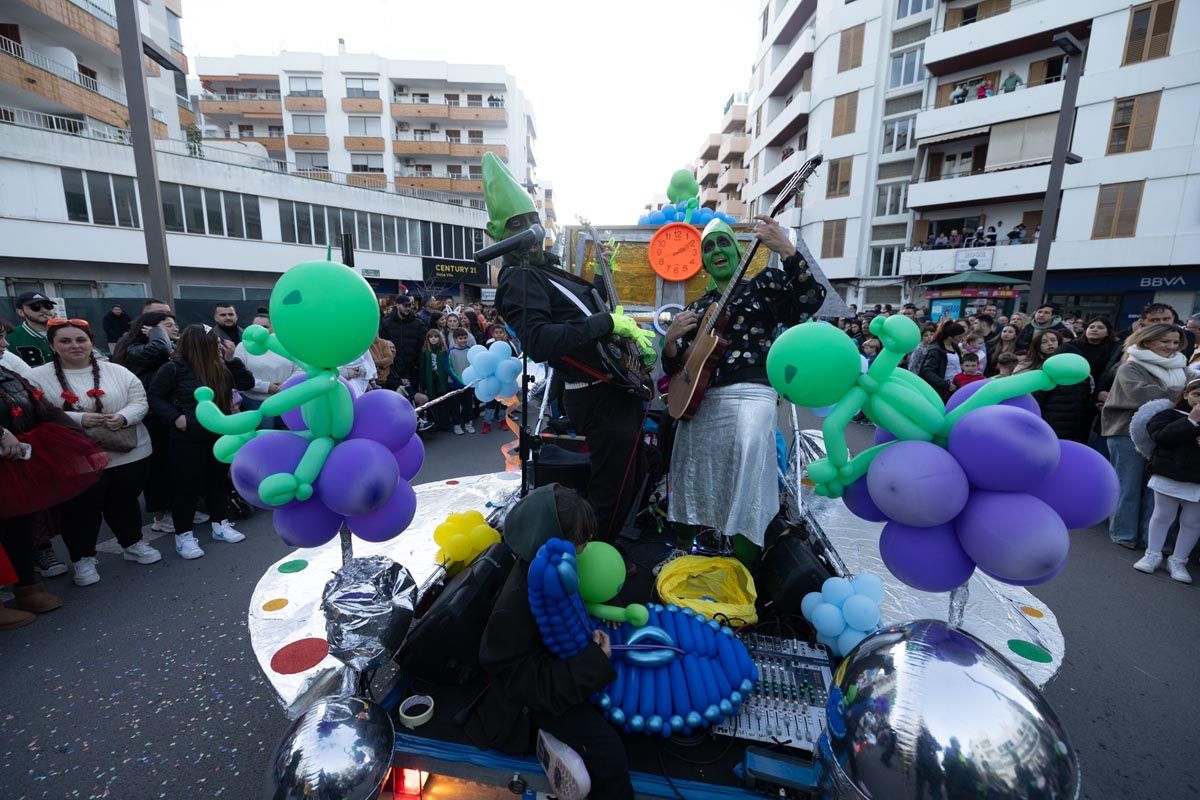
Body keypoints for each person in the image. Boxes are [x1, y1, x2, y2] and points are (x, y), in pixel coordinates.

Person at [490, 153, 654, 540]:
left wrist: (601, 278)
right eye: (517, 224)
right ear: (500, 234)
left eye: (532, 219)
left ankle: (609, 549)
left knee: (630, 476)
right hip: (595, 396)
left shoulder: (544, 270)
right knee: (610, 488)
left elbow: (576, 314)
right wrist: (606, 322)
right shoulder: (518, 278)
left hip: (610, 392)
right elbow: (540, 341)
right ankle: (596, 555)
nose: (529, 228)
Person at [663, 215, 826, 564]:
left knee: (747, 479)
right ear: (703, 261)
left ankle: (743, 570)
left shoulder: (764, 285)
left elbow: (809, 300)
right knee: (686, 471)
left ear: (739, 252)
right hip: (701, 400)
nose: (716, 250)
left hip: (752, 391)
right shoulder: (696, 309)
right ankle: (680, 555)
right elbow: (677, 371)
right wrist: (672, 341)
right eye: (708, 247)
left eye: (723, 243)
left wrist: (784, 248)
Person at [466, 484, 632, 800]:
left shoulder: (546, 567)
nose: (584, 548)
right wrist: (595, 662)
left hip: (559, 671)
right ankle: (548, 741)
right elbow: (526, 684)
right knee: (609, 753)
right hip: (525, 709)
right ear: (550, 538)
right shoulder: (514, 608)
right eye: (579, 541)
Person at [29, 319, 160, 585]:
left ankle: (132, 543)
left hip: (128, 452)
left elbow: (140, 400)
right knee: (80, 510)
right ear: (52, 345)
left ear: (91, 342)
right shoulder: (36, 378)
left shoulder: (117, 371)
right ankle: (83, 558)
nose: (74, 346)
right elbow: (38, 414)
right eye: (65, 341)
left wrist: (123, 417)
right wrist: (79, 420)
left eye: (80, 340)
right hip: (75, 458)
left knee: (124, 502)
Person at [1, 359, 108, 628]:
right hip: (7, 459)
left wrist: (81, 438)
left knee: (20, 527)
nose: (3, 344)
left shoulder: (8, 372)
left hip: (17, 462)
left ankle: (27, 588)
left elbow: (44, 409)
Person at [148, 325, 254, 559]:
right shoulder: (173, 368)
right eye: (214, 342)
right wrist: (175, 417)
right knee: (187, 487)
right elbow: (155, 396)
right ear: (199, 344)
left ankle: (221, 524)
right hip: (186, 437)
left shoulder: (221, 366)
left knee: (217, 482)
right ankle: (183, 536)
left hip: (218, 433)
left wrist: (231, 359)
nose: (219, 345)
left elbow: (246, 383)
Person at [1102, 324, 1186, 549]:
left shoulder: (1180, 367)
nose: (1171, 347)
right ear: (1147, 341)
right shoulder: (1130, 366)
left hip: (1163, 433)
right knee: (1128, 485)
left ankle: (1153, 541)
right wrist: (1181, 393)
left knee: (1156, 491)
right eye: (1165, 342)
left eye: (1175, 342)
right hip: (1125, 431)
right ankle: (1123, 534)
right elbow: (1143, 394)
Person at [113, 311, 185, 532]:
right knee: (158, 468)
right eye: (167, 325)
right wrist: (158, 334)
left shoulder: (169, 346)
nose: (174, 328)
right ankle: (160, 515)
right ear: (148, 328)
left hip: (169, 412)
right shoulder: (136, 349)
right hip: (151, 416)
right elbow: (159, 350)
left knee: (174, 464)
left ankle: (175, 509)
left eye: (175, 324)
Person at [1133, 378, 1200, 582]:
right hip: (1170, 472)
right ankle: (1152, 554)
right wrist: (1191, 421)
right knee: (1163, 514)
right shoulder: (1169, 414)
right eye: (1197, 395)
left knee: (1192, 522)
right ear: (1186, 394)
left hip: (1197, 480)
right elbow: (1161, 437)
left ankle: (1178, 561)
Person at [1016, 329, 1091, 442]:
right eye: (1044, 342)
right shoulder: (1026, 366)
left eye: (1053, 340)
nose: (1050, 344)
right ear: (1037, 346)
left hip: (1061, 421)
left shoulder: (1072, 369)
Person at [235, 312, 301, 413]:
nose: (260, 331)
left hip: (286, 398)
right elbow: (239, 375)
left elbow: (300, 369)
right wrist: (266, 387)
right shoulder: (242, 347)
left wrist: (285, 385)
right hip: (256, 402)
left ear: (273, 328)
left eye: (265, 327)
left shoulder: (287, 345)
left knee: (288, 428)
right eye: (256, 327)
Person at [379, 294, 427, 393]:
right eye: (405, 306)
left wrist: (417, 365)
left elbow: (423, 345)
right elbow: (382, 346)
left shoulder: (418, 323)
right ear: (397, 305)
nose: (408, 308)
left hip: (413, 369)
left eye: (410, 305)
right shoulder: (386, 323)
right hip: (393, 371)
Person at [917, 320, 966, 399]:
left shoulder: (955, 347)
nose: (961, 339)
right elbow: (927, 371)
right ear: (950, 337)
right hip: (943, 390)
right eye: (959, 337)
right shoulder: (935, 350)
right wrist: (946, 384)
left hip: (956, 386)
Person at [7, 292, 57, 368]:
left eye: (48, 306)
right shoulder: (9, 337)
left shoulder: (67, 331)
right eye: (35, 307)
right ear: (21, 312)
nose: (44, 310)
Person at [416, 329, 451, 431]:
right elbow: (422, 369)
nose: (433, 339)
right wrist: (423, 385)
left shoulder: (443, 351)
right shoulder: (425, 352)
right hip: (430, 382)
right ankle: (434, 424)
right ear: (428, 339)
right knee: (432, 403)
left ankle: (445, 424)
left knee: (443, 402)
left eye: (436, 337)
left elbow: (447, 367)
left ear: (439, 338)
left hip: (442, 381)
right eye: (431, 337)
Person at [447, 328, 477, 434]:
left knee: (468, 404)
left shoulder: (470, 351)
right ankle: (457, 424)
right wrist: (458, 380)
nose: (463, 340)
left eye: (465, 338)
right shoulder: (451, 352)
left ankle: (468, 423)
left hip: (467, 384)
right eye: (460, 338)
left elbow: (473, 366)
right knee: (455, 406)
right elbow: (449, 368)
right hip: (454, 384)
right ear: (455, 339)